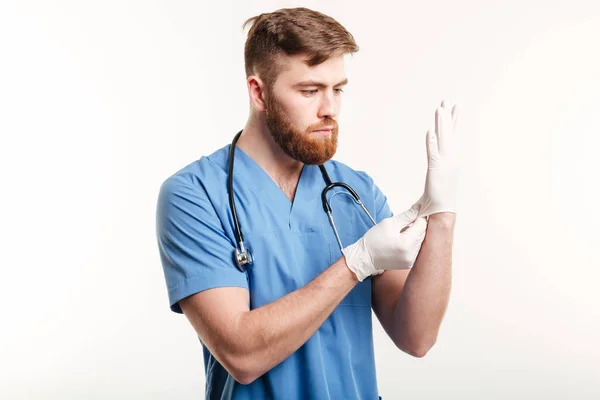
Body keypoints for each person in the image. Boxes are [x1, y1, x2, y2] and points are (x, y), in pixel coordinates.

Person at [155, 7, 458, 400]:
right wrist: (356, 263)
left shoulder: (356, 192)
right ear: (258, 92)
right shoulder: (195, 195)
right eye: (310, 90)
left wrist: (443, 214)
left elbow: (417, 337)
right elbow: (241, 354)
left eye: (338, 88)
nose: (330, 108)